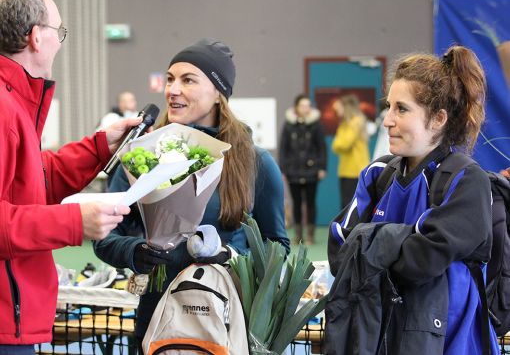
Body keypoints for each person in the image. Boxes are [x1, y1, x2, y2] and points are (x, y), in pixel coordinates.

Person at [93, 38, 290, 349]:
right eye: (170, 79)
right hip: (156, 320)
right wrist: (136, 252)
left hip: (224, 322)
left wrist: (230, 258)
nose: (173, 89)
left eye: (188, 80)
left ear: (218, 94)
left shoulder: (255, 162)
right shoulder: (143, 154)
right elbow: (104, 237)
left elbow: (278, 248)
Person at [328, 46, 499, 354]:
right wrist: (404, 236)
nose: (387, 120)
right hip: (381, 339)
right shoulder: (377, 175)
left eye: (402, 109)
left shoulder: (466, 181)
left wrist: (370, 240)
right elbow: (340, 252)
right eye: (389, 106)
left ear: (437, 119)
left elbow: (422, 263)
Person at [0, 0, 138, 354]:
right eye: (59, 31)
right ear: (35, 38)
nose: (61, 42)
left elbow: (30, 180)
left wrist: (98, 147)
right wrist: (75, 222)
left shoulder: (14, 100)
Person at [279, 94, 327, 245]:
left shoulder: (316, 124)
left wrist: (321, 167)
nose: (305, 108)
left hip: (311, 170)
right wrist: (284, 169)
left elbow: (321, 147)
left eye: (308, 105)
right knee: (297, 203)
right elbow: (283, 148)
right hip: (293, 171)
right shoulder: (288, 124)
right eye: (302, 105)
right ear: (296, 107)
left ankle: (310, 235)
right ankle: (298, 235)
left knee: (311, 203)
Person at [331, 93, 370, 210]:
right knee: (345, 204)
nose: (337, 111)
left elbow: (343, 144)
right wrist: (339, 144)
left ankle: (352, 229)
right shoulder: (345, 124)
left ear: (346, 107)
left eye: (339, 108)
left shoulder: (356, 122)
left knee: (351, 206)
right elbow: (335, 146)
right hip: (345, 170)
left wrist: (339, 143)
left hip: (356, 170)